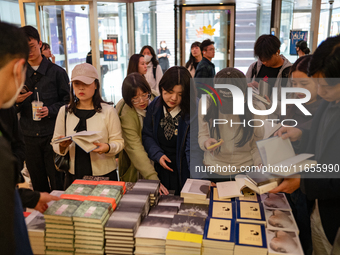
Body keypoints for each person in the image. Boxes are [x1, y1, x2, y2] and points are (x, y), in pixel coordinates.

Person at [273, 35, 340, 255]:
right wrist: (301, 131)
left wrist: (303, 180)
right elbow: (319, 132)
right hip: (320, 212)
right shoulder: (330, 100)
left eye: (325, 86)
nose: (320, 91)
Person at [52, 63, 124, 188]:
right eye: (76, 84)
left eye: (85, 84)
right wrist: (62, 147)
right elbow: (55, 142)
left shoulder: (108, 111)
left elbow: (119, 142)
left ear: (95, 85)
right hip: (74, 174)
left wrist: (107, 147)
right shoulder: (64, 111)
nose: (81, 88)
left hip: (104, 174)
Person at [16, 25, 70, 193]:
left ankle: (61, 216)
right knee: (37, 184)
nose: (28, 52)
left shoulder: (57, 73)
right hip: (28, 137)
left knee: (58, 182)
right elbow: (7, 107)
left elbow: (68, 102)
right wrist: (16, 102)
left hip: (53, 136)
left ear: (39, 43)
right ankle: (42, 219)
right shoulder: (17, 74)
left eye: (31, 47)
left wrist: (50, 110)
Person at [198, 68, 265, 180]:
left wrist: (260, 165)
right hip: (213, 168)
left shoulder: (257, 108)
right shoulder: (206, 103)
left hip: (246, 169)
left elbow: (257, 145)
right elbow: (202, 134)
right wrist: (206, 143)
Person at [116, 73, 168, 195]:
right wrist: (153, 178)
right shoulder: (126, 114)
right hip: (136, 165)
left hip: (159, 159)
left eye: (144, 95)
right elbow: (135, 148)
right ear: (128, 99)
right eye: (135, 98)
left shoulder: (157, 100)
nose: (142, 101)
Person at [142, 66, 191, 195]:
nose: (174, 98)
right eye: (169, 92)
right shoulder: (155, 106)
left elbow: (194, 150)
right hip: (161, 168)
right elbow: (147, 135)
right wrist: (157, 154)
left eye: (180, 94)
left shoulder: (192, 112)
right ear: (162, 88)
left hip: (185, 170)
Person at [246, 34, 292, 119]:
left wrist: (270, 103)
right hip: (254, 120)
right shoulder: (254, 67)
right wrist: (246, 87)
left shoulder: (289, 73)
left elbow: (290, 107)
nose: (264, 62)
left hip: (275, 124)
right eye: (261, 59)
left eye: (267, 59)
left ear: (277, 52)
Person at [282, 55, 321, 130]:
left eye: (304, 84)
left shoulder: (326, 113)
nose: (298, 90)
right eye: (294, 83)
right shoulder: (291, 107)